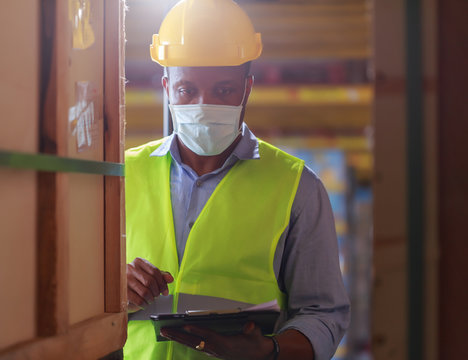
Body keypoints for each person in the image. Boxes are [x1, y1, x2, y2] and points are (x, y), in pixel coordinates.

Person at [124, 0, 350, 359]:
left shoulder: (297, 187)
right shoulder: (120, 177)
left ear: (247, 88)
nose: (203, 104)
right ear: (167, 88)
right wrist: (109, 292)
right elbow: (69, 301)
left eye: (224, 90)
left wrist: (270, 351)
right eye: (187, 90)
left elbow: (322, 314)